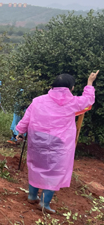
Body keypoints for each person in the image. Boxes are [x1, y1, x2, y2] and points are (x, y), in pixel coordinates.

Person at [16, 71, 98, 213]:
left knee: (36, 166)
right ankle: (44, 204)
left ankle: (32, 196)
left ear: (53, 86)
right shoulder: (73, 102)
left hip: (37, 140)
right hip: (59, 144)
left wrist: (20, 132)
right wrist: (90, 83)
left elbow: (26, 118)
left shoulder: (38, 100)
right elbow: (88, 100)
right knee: (55, 173)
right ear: (71, 88)